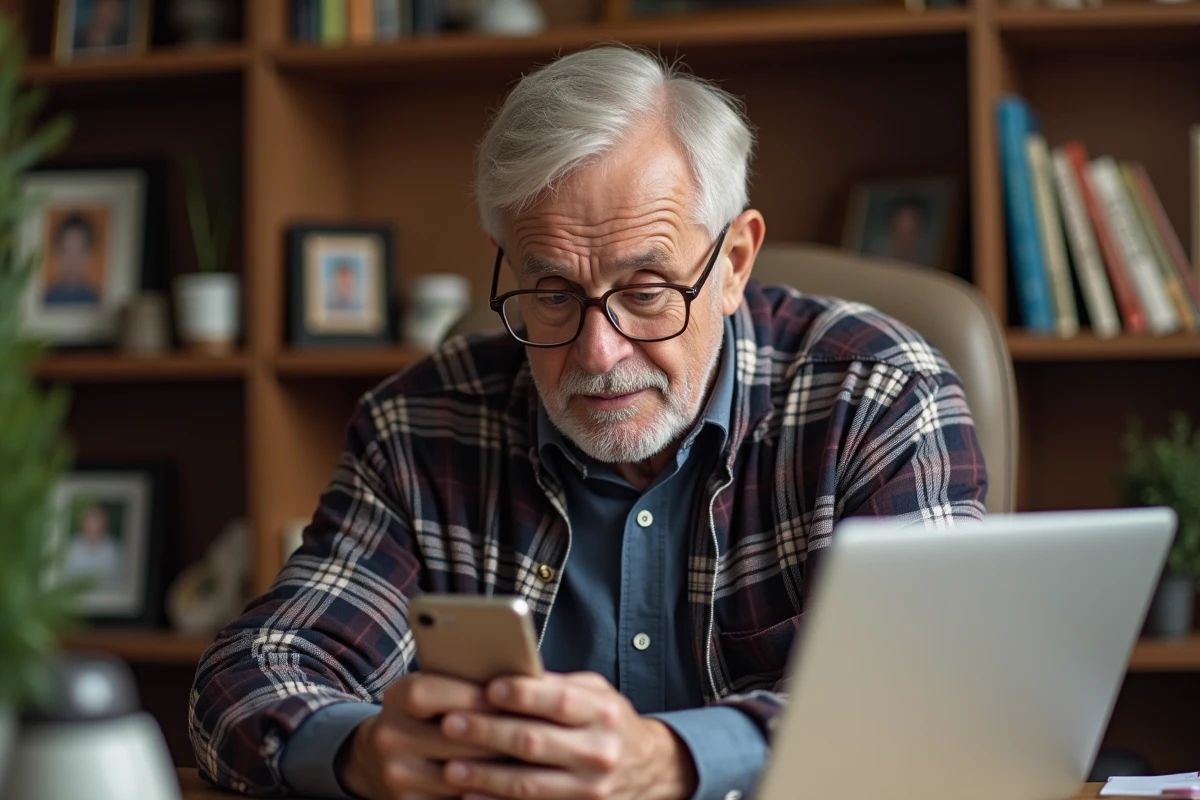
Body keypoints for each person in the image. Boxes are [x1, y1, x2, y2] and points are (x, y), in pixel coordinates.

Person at [190, 47, 987, 800]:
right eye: (554, 294)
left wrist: (676, 760)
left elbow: (938, 697)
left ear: (735, 263)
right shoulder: (420, 426)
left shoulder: (874, 396)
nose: (599, 355)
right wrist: (359, 750)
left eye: (645, 291)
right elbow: (248, 676)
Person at [44, 212, 101, 306]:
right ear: (57, 253)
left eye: (78, 252)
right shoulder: (46, 300)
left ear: (89, 255)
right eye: (67, 251)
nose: (72, 261)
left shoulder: (96, 301)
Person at [62, 503, 121, 591]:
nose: (92, 523)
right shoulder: (69, 548)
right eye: (87, 517)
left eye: (96, 517)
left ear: (104, 520)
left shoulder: (115, 549)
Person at [880, 197, 929, 265]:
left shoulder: (925, 258)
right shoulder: (879, 252)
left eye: (910, 233)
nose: (906, 226)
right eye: (901, 233)